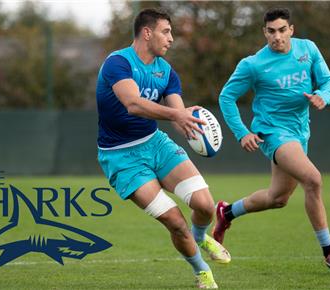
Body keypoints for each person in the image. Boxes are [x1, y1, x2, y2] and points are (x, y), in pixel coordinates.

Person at [96, 8, 230, 289]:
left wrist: (191, 125)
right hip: (121, 157)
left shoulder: (166, 71)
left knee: (205, 205)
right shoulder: (117, 63)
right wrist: (176, 116)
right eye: (166, 32)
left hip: (155, 144)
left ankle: (201, 235)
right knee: (175, 221)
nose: (171, 39)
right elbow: (132, 104)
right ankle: (202, 271)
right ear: (147, 33)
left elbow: (177, 112)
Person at [214, 7, 330, 270]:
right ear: (264, 32)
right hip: (273, 132)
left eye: (282, 30)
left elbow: (328, 81)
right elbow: (226, 97)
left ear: (291, 30)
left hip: (300, 131)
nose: (277, 37)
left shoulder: (308, 49)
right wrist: (242, 133)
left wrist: (324, 95)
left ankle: (227, 212)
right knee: (313, 180)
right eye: (271, 31)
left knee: (278, 198)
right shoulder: (253, 64)